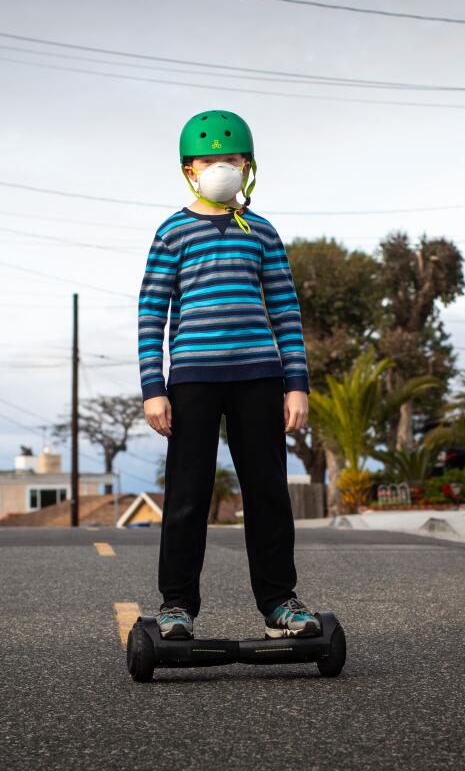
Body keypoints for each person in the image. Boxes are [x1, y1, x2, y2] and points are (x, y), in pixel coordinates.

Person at [138, 110, 320, 641]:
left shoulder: (261, 231)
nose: (221, 167)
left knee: (267, 492)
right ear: (189, 171)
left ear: (248, 166)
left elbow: (286, 310)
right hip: (192, 378)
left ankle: (280, 603)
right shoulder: (172, 231)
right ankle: (176, 607)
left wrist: (296, 383)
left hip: (259, 377)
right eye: (209, 160)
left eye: (231, 159)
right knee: (188, 495)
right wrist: (154, 388)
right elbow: (152, 312)